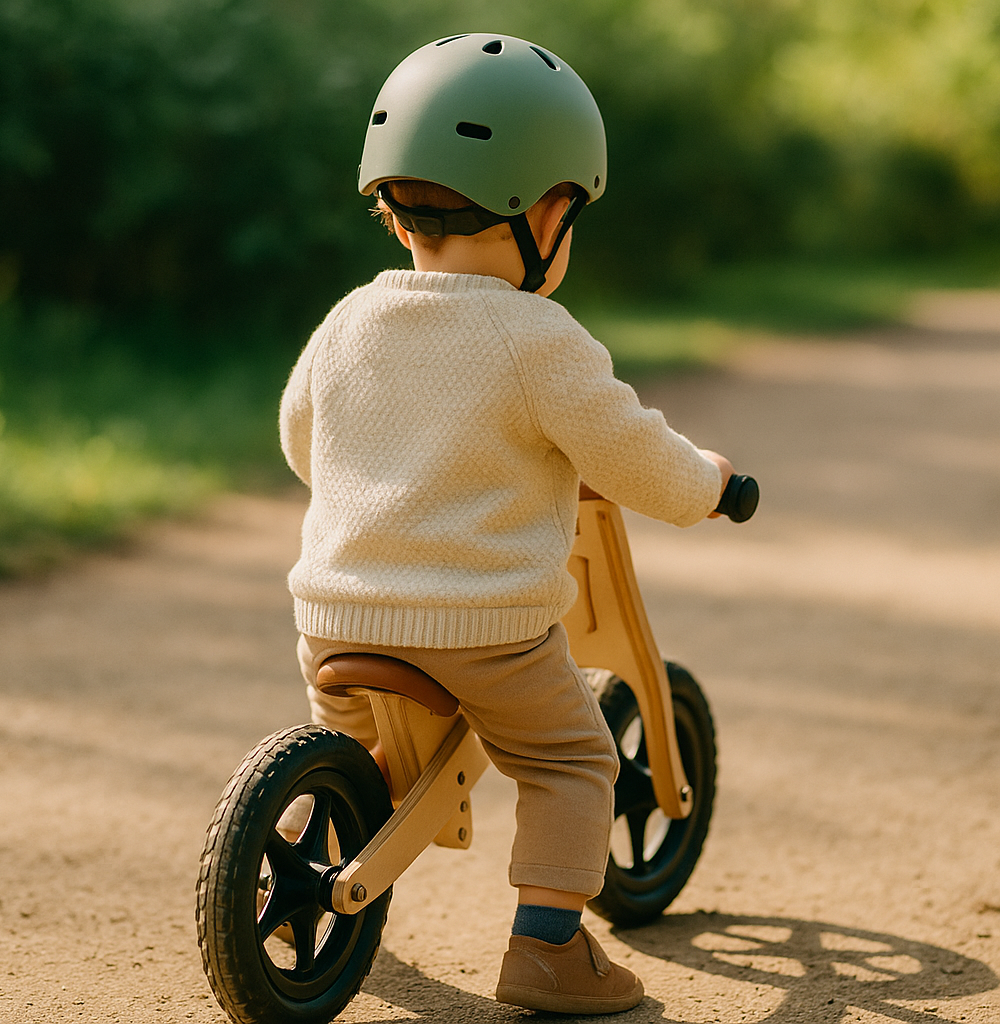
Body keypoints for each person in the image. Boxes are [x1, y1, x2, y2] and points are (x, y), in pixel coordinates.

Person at [279, 32, 734, 1015]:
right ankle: (548, 950)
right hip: (482, 631)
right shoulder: (536, 338)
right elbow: (633, 453)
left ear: (392, 204)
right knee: (573, 760)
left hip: (333, 620)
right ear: (549, 211)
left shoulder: (348, 320)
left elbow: (301, 443)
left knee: (363, 764)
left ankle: (300, 863)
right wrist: (705, 484)